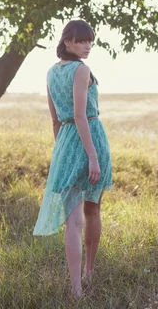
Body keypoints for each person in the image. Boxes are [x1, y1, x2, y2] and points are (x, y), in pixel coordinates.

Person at [32, 19, 113, 298]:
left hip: (65, 141)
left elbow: (56, 120)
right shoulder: (81, 69)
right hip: (90, 138)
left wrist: (63, 152)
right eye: (81, 41)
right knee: (91, 212)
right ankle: (86, 275)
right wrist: (91, 156)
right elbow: (80, 116)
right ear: (67, 42)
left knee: (74, 220)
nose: (87, 45)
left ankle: (78, 286)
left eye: (90, 40)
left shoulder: (51, 73)